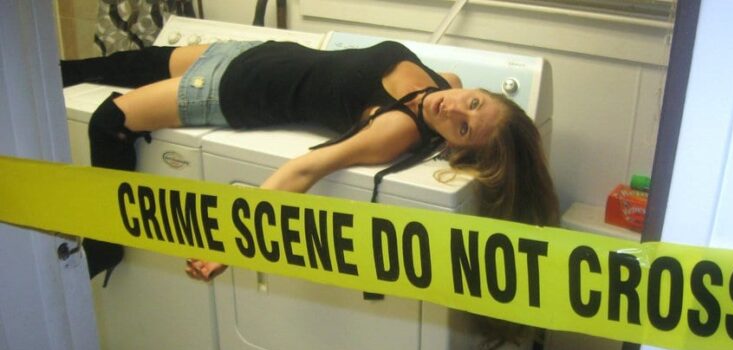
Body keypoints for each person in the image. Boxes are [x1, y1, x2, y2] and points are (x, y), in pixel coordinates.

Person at [62, 40, 559, 289]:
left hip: (235, 90)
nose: (453, 109)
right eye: (473, 103)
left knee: (109, 121)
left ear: (457, 148)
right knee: (104, 67)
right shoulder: (444, 82)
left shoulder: (397, 129)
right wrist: (460, 113)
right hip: (254, 53)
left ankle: (105, 248)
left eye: (463, 129)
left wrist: (230, 242)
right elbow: (451, 90)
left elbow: (305, 170)